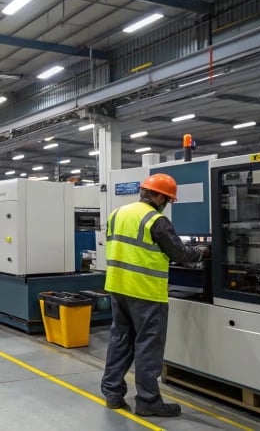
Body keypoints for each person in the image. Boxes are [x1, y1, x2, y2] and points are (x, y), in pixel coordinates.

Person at [100, 173, 209, 417]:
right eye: (167, 199)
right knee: (148, 347)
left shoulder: (117, 214)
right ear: (159, 196)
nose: (166, 204)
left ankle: (112, 392)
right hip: (146, 292)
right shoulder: (156, 220)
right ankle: (148, 401)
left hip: (118, 287)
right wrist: (201, 253)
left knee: (120, 340)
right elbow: (179, 252)